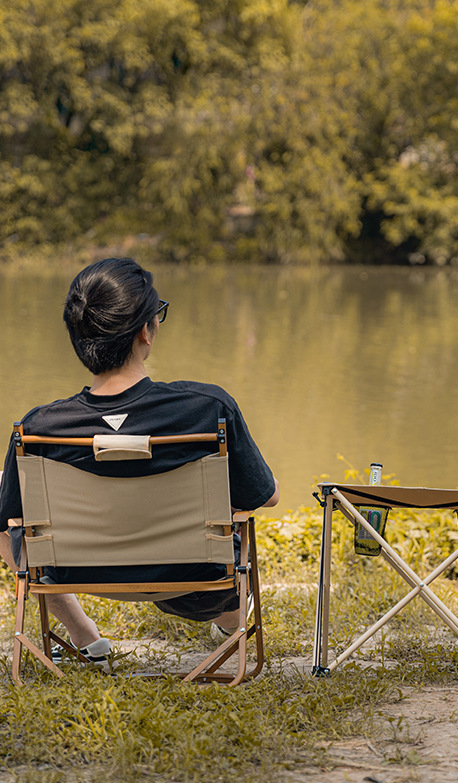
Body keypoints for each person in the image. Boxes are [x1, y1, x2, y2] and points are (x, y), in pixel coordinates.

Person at [0, 257, 279, 667]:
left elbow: (8, 518)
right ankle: (231, 619)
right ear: (146, 331)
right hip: (193, 579)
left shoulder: (38, 429)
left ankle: (83, 635)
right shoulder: (207, 409)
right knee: (225, 529)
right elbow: (265, 497)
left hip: (74, 572)